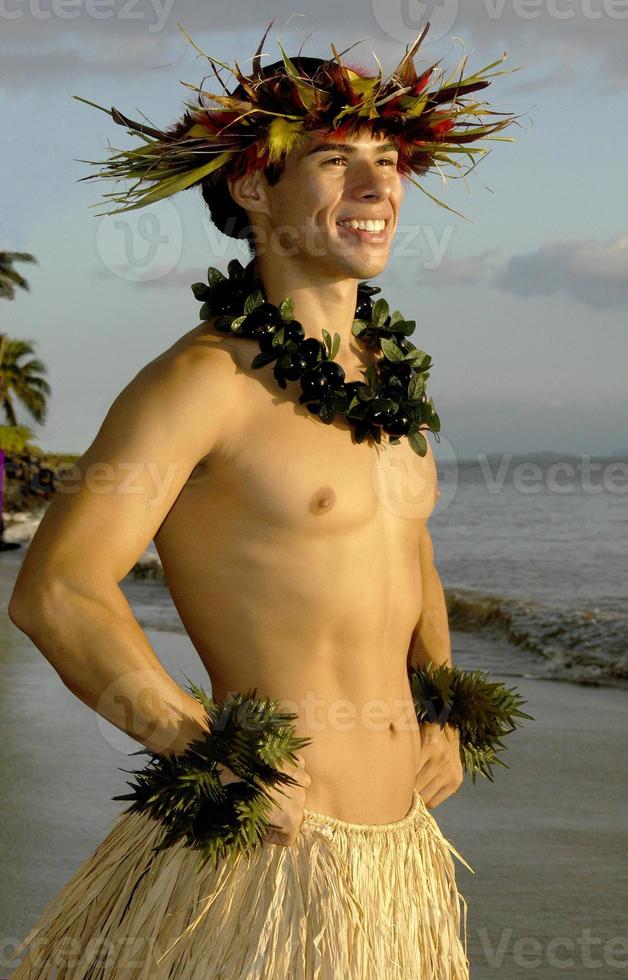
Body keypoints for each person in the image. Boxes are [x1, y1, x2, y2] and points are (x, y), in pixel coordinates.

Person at [7, 22, 519, 978]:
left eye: (387, 161)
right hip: (266, 865)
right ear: (253, 186)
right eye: (335, 162)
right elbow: (58, 591)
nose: (378, 189)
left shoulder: (387, 385)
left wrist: (442, 706)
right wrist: (209, 756)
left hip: (400, 863)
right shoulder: (202, 384)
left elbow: (412, 557)